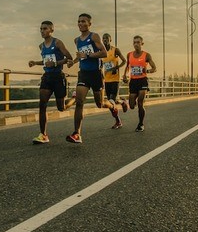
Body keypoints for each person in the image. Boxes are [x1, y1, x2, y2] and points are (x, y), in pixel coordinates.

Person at [65, 13, 120, 143]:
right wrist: (73, 61)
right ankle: (77, 134)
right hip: (83, 73)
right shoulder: (77, 40)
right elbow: (80, 56)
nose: (80, 24)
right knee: (79, 102)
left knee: (100, 103)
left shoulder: (94, 36)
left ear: (89, 24)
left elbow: (103, 53)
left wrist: (87, 55)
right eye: (79, 21)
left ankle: (112, 106)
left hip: (96, 74)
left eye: (83, 21)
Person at [28, 20, 75, 144]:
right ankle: (43, 135)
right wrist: (35, 62)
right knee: (42, 104)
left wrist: (55, 63)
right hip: (47, 77)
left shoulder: (58, 42)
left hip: (58, 77)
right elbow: (45, 61)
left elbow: (69, 58)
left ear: (51, 30)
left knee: (61, 107)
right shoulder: (41, 46)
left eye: (45, 29)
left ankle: (74, 98)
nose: (42, 31)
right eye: (41, 29)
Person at [122, 35, 157, 132]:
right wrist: (124, 75)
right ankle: (126, 102)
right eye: (134, 42)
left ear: (142, 44)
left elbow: (154, 68)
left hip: (142, 80)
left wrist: (148, 71)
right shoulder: (129, 54)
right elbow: (127, 66)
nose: (136, 44)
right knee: (132, 105)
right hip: (133, 81)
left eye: (138, 42)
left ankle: (141, 124)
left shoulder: (146, 55)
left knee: (140, 102)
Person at [101, 33, 128, 129]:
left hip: (115, 79)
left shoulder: (115, 50)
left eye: (107, 38)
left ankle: (118, 121)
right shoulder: (102, 52)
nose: (105, 40)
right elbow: (101, 65)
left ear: (110, 40)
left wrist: (117, 67)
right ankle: (122, 102)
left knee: (111, 100)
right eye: (103, 38)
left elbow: (124, 61)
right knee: (111, 103)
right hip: (106, 80)